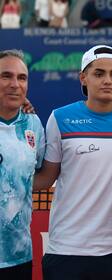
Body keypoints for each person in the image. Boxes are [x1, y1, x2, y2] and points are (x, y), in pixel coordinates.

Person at [33, 45, 112, 280]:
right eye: (98, 74)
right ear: (83, 78)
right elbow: (47, 177)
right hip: (66, 249)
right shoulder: (59, 117)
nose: (107, 80)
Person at [0, 49, 45, 280]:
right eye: (6, 76)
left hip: (19, 256)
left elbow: (41, 175)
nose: (14, 84)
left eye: (21, 78)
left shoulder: (34, 124)